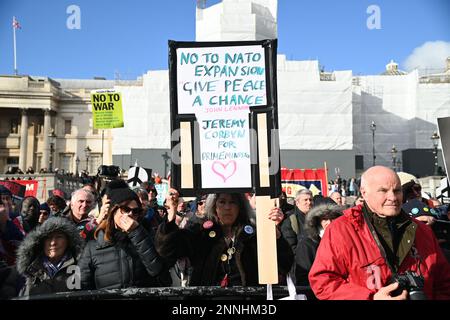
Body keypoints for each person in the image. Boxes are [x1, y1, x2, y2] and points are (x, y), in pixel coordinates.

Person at [309, 166, 450, 300]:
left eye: (397, 190)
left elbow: (444, 282)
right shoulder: (341, 230)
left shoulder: (422, 231)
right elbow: (322, 282)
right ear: (364, 193)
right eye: (383, 190)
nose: (393, 197)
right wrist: (370, 298)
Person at [156, 192, 293, 287]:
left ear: (240, 207)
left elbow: (284, 265)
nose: (227, 207)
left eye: (232, 202)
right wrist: (171, 217)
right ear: (214, 207)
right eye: (222, 202)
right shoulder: (200, 231)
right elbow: (167, 250)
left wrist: (276, 237)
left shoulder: (253, 233)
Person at [78, 180, 170, 289]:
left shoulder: (146, 236)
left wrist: (137, 233)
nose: (130, 214)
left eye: (135, 211)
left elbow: (163, 277)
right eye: (125, 209)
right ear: (113, 211)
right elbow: (81, 286)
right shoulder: (93, 245)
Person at [16, 217, 83, 296]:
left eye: (59, 237)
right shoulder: (28, 268)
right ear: (41, 242)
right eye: (48, 237)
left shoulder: (80, 266)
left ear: (68, 241)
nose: (53, 243)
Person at [294, 203, 342, 286]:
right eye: (325, 219)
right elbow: (303, 277)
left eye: (333, 219)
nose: (329, 222)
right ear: (317, 222)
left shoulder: (344, 242)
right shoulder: (307, 244)